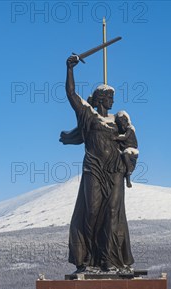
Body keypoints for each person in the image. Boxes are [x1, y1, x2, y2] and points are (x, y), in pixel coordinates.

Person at [60, 54, 134, 273]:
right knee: (90, 212)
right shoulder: (89, 116)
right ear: (101, 99)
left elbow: (132, 145)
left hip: (114, 173)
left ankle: (109, 259)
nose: (113, 101)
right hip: (93, 169)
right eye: (109, 97)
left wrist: (129, 159)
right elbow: (72, 94)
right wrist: (70, 69)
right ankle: (87, 259)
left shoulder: (118, 122)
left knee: (113, 214)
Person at [113, 110, 139, 188]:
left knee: (125, 155)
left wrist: (115, 137)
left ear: (126, 121)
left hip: (131, 150)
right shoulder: (122, 132)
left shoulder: (129, 130)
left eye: (122, 122)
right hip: (126, 149)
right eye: (119, 123)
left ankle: (129, 172)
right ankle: (127, 175)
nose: (121, 124)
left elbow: (124, 137)